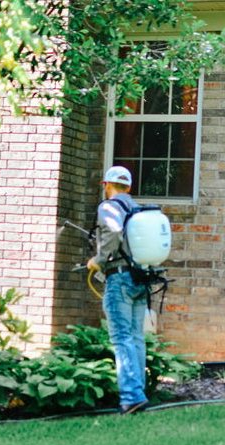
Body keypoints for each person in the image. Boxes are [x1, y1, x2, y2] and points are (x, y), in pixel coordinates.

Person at [87, 166, 149, 415]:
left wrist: (99, 260)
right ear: (129, 187)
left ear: (107, 185)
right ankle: (139, 393)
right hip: (140, 279)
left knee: (121, 338)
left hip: (119, 278)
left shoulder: (109, 206)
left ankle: (131, 397)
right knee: (135, 337)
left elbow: (112, 230)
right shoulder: (137, 209)